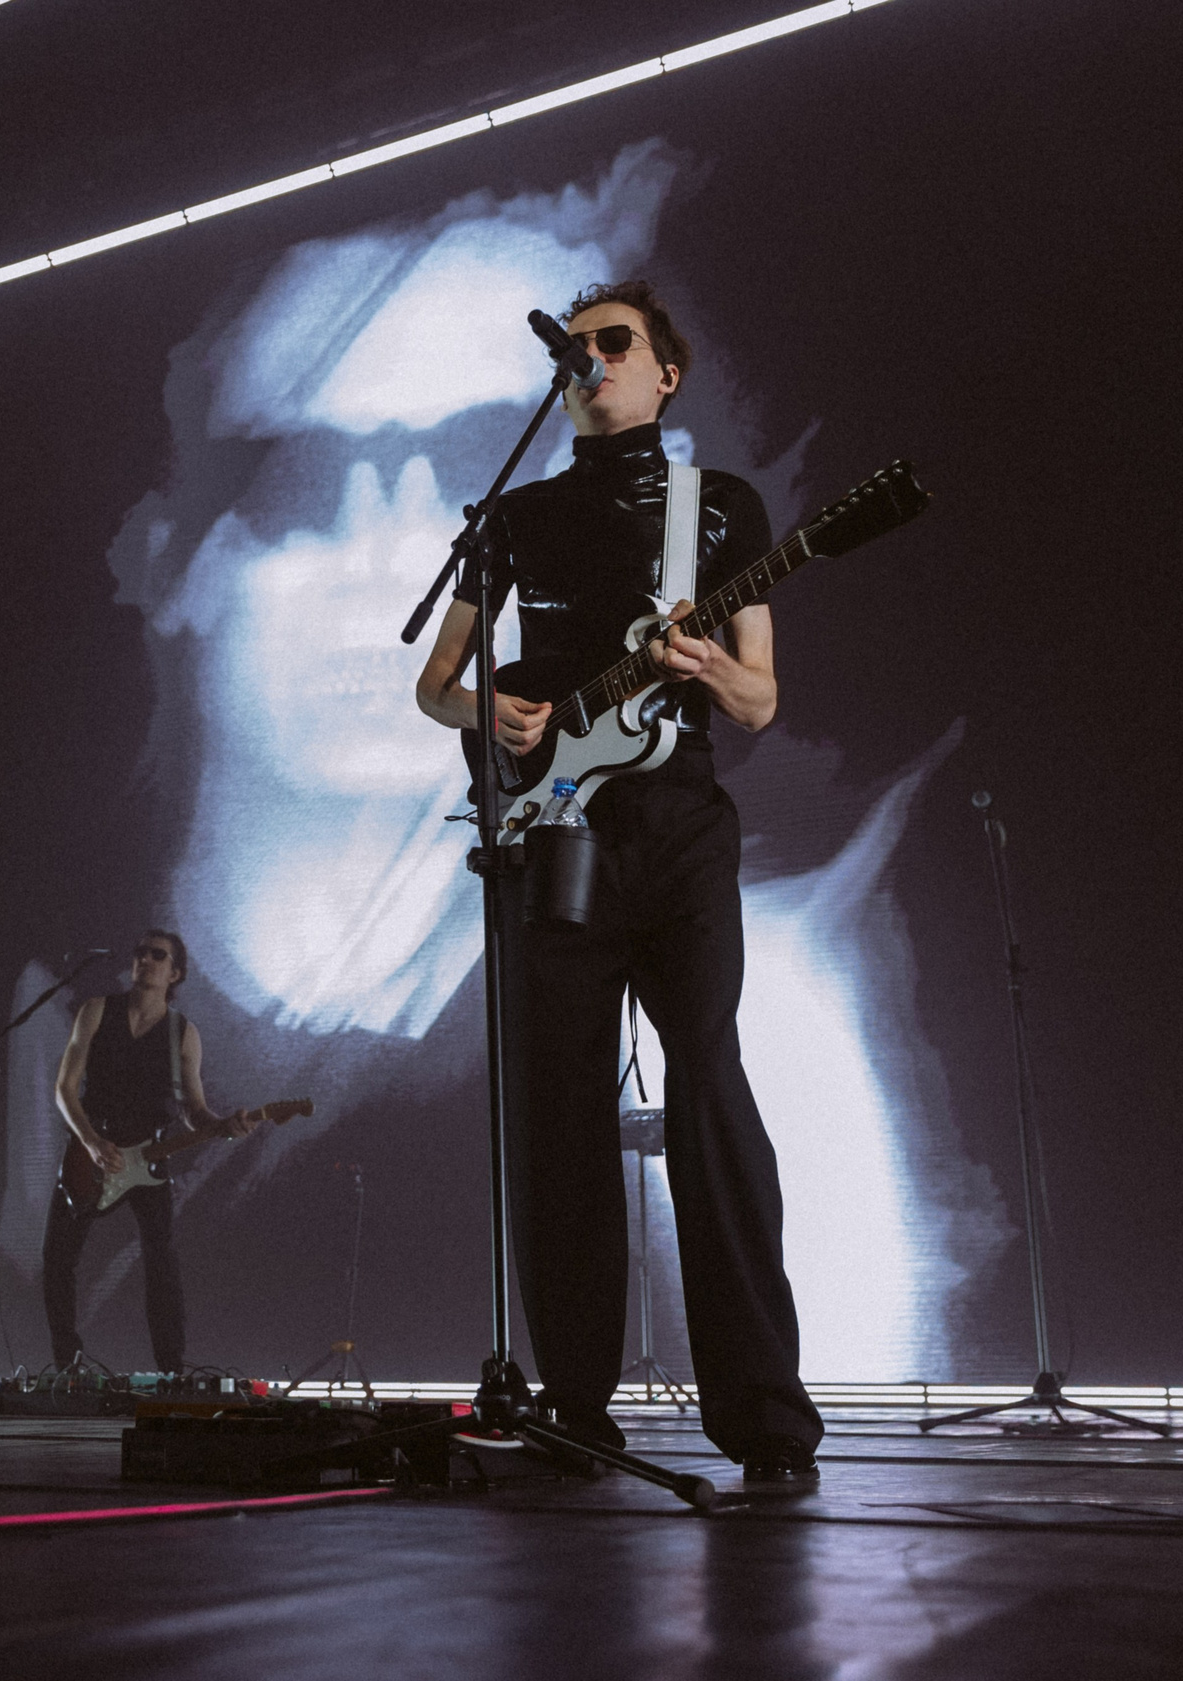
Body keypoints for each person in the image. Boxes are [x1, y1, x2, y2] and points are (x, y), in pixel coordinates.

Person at [411, 280, 825, 1486]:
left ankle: (763, 1421)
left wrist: (702, 658)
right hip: (552, 835)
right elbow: (437, 680)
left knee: (707, 1083)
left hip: (679, 826)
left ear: (665, 374)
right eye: (577, 345)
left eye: (614, 342)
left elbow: (757, 698)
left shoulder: (721, 508)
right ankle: (575, 1409)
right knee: (561, 1115)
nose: (590, 358)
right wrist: (482, 704)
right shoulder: (516, 515)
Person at [42, 929, 254, 1372]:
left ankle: (171, 1369)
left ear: (175, 973)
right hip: (92, 1148)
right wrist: (91, 1142)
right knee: (58, 1259)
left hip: (151, 1159)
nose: (145, 960)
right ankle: (67, 1367)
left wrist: (223, 1126)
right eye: (140, 953)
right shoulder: (97, 1010)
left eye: (158, 956)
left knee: (162, 1260)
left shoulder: (183, 1033)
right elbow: (64, 1089)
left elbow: (194, 1111)